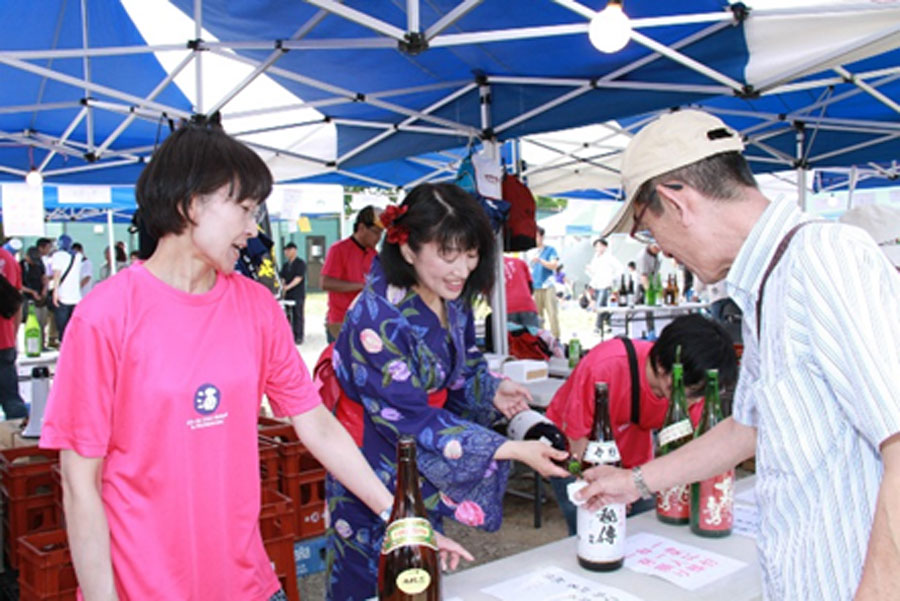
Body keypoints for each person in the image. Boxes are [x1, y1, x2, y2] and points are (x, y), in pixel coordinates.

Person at [39, 124, 469, 601]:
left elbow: (318, 426)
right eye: (244, 209)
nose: (252, 228)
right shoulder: (106, 315)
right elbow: (81, 483)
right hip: (142, 588)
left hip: (248, 585)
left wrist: (402, 518)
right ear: (190, 203)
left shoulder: (256, 307)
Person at [577, 109, 900, 600]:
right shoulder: (768, 283)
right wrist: (635, 482)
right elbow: (748, 427)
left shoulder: (824, 256)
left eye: (646, 229)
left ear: (676, 201)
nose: (659, 250)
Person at [327, 183, 569, 601]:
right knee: (376, 574)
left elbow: (466, 361)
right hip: (371, 461)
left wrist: (491, 389)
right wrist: (507, 448)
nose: (461, 269)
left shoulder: (449, 296)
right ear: (407, 249)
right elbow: (410, 416)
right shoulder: (376, 315)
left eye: (471, 254)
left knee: (422, 571)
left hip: (420, 459)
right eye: (447, 254)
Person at [547, 314, 736, 534]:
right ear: (665, 370)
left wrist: (631, 483)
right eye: (693, 392)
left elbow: (696, 448)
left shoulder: (694, 387)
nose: (696, 401)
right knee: (592, 526)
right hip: (576, 453)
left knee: (644, 528)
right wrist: (598, 487)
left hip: (632, 452)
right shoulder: (605, 366)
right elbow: (577, 438)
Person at [321, 205, 383, 343]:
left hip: (366, 322)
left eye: (381, 233)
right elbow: (326, 283)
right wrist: (362, 286)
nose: (379, 238)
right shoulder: (339, 249)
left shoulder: (374, 255)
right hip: (340, 321)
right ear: (361, 228)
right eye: (375, 232)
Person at [0, 245, 27, 419]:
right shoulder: (8, 259)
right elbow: (17, 302)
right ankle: (20, 443)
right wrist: (13, 333)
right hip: (5, 339)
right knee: (12, 400)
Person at [49, 234, 83, 342]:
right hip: (76, 296)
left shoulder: (58, 255)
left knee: (62, 327)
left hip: (62, 295)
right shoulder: (78, 256)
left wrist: (55, 291)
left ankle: (64, 347)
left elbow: (57, 275)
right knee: (74, 327)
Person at [585, 238, 622, 333]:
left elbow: (619, 268)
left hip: (606, 284)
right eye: (596, 246)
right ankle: (609, 324)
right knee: (604, 306)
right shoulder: (595, 258)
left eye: (600, 245)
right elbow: (594, 273)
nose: (598, 248)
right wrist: (589, 270)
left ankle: (598, 326)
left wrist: (612, 278)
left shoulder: (609, 258)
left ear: (605, 247)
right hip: (597, 285)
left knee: (600, 306)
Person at [529, 226, 560, 338]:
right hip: (534, 286)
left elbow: (554, 265)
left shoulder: (550, 250)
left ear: (542, 237)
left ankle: (556, 337)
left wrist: (541, 261)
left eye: (536, 236)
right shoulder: (529, 251)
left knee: (552, 313)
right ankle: (541, 338)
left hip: (548, 285)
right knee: (538, 315)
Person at [279, 241, 306, 344]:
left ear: (294, 250)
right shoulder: (286, 265)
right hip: (288, 295)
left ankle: (299, 336)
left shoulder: (300, 263)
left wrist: (288, 287)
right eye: (285, 251)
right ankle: (290, 335)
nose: (287, 253)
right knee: (288, 315)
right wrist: (282, 288)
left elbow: (298, 278)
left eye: (288, 250)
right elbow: (282, 278)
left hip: (298, 293)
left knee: (298, 315)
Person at [20, 246, 48, 345]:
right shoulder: (21, 265)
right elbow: (19, 284)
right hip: (28, 298)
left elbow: (44, 278)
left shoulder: (40, 264)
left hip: (41, 297)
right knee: (32, 322)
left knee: (43, 322)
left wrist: (44, 289)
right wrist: (32, 292)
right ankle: (32, 344)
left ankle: (42, 343)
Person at [503, 255, 540, 330]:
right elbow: (530, 287)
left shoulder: (490, 266)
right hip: (527, 305)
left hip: (506, 308)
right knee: (533, 339)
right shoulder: (520, 262)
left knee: (512, 340)